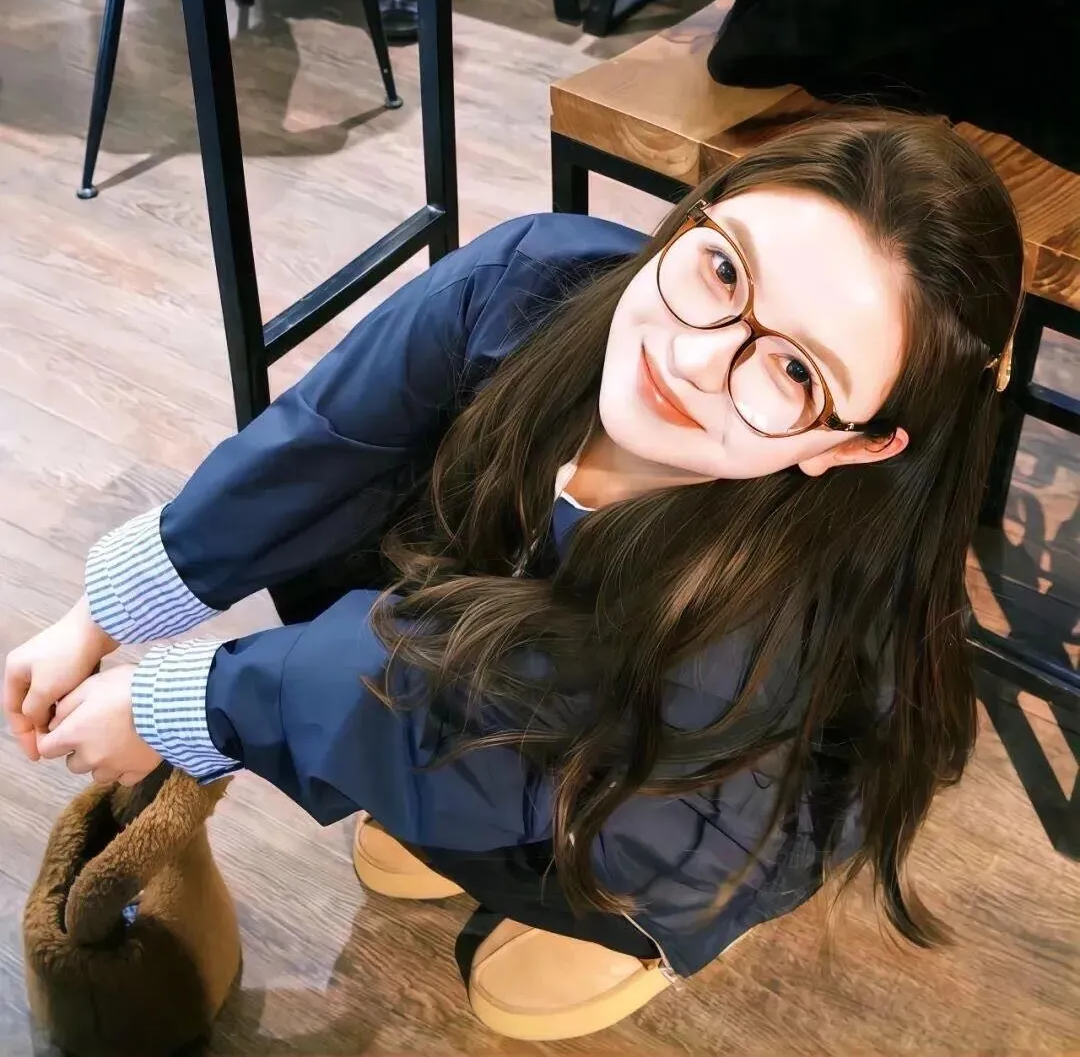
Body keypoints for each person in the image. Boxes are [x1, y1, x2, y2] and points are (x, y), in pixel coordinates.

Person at [4, 114, 1022, 1041]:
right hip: (487, 697)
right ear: (692, 216)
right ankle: (422, 810)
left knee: (553, 833)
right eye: (723, 269)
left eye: (796, 372)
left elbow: (505, 738)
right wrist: (104, 611)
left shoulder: (770, 617)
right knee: (367, 557)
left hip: (647, 814)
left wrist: (192, 705)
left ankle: (624, 940)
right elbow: (329, 440)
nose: (697, 358)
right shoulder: (535, 280)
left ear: (850, 446)